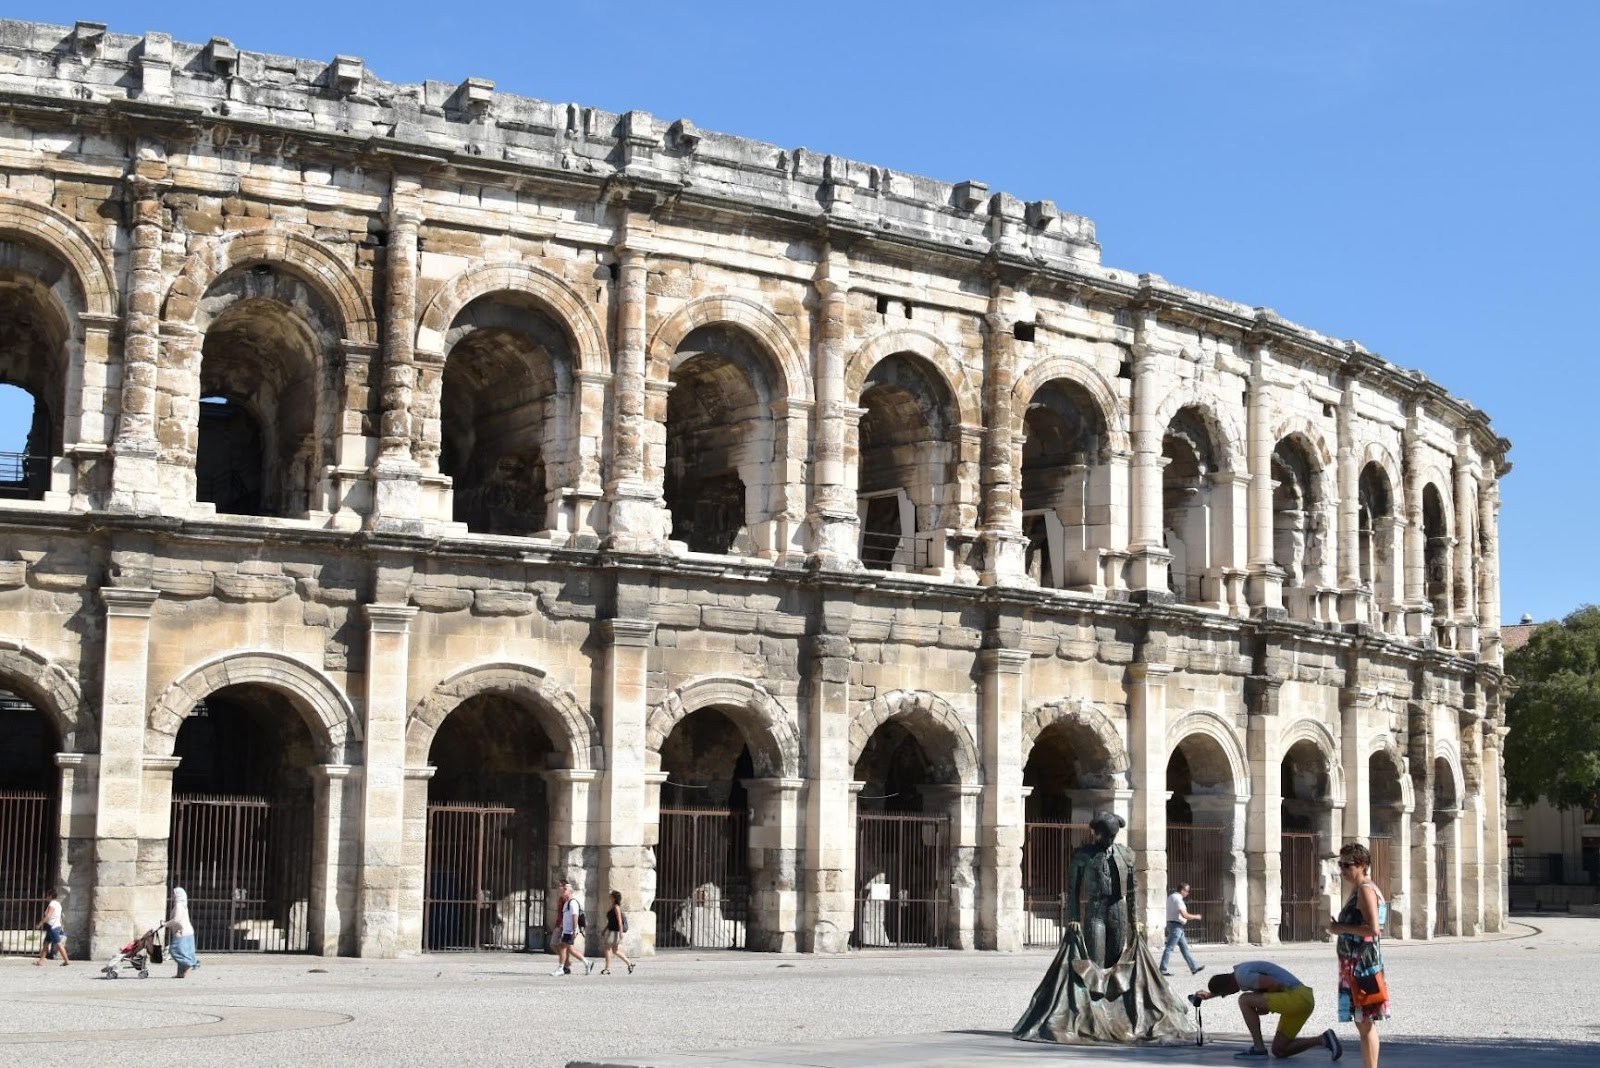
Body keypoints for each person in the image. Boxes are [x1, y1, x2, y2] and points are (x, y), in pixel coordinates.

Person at [1196, 961, 1341, 1061]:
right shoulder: (1239, 973)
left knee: (1244, 1000)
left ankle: (1259, 1048)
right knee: (1279, 1050)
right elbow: (1230, 986)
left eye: (1225, 994)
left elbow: (1274, 984)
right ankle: (1323, 1039)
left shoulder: (1243, 976)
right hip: (1303, 1000)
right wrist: (1210, 995)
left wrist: (1265, 1006)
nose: (1227, 995)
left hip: (1297, 997)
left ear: (1228, 985)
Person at [1328, 841, 1389, 1068]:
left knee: (1366, 1022)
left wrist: (1340, 928)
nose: (1342, 870)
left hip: (1361, 965)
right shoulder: (1362, 889)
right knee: (1364, 1022)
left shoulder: (1365, 889)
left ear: (1362, 865)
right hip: (1357, 964)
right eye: (1340, 864)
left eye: (1347, 865)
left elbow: (1373, 929)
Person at [1065, 811, 1136, 968]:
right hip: (1096, 911)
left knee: (1116, 960)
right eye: (1106, 836)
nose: (1110, 840)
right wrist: (1074, 917)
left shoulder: (1125, 854)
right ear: (1096, 834)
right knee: (1096, 961)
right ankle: (1096, 992)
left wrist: (1134, 920)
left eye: (1113, 836)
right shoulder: (1083, 855)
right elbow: (1073, 889)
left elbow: (1131, 889)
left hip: (1118, 909)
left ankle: (1112, 992)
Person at [1159, 882, 1204, 977]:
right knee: (1169, 948)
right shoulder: (1178, 899)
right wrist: (1196, 916)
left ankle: (1194, 967)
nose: (1188, 893)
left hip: (1175, 925)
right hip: (1176, 926)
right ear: (1182, 890)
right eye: (1187, 891)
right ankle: (1162, 969)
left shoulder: (1171, 897)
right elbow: (1185, 915)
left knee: (1185, 948)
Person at [550, 878, 591, 976]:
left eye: (564, 890)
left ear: (568, 890)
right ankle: (587, 963)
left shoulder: (572, 902)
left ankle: (561, 968)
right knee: (569, 949)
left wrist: (574, 930)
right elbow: (565, 917)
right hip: (567, 930)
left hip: (570, 930)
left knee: (563, 948)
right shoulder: (566, 903)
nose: (562, 892)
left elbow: (575, 916)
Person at [165, 886, 200, 978]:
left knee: (175, 951)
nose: (172, 895)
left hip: (182, 933)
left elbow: (176, 919)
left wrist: (165, 924)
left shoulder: (179, 905)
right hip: (186, 932)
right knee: (184, 952)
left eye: (173, 893)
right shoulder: (181, 905)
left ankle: (190, 964)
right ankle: (180, 973)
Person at [600, 890, 635, 975]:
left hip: (614, 931)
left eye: (611, 896)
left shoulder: (616, 907)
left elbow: (619, 920)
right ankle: (629, 964)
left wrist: (620, 932)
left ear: (614, 898)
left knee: (607, 949)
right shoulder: (612, 906)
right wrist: (605, 929)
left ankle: (607, 968)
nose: (609, 897)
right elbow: (611, 921)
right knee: (615, 950)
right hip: (611, 929)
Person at [35, 890, 69, 967]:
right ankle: (41, 961)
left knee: (58, 944)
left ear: (50, 896)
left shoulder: (52, 904)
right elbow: (59, 916)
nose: (46, 897)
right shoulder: (58, 904)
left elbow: (48, 916)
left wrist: (40, 924)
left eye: (47, 895)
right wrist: (61, 926)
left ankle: (66, 960)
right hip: (55, 926)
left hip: (52, 927)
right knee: (46, 943)